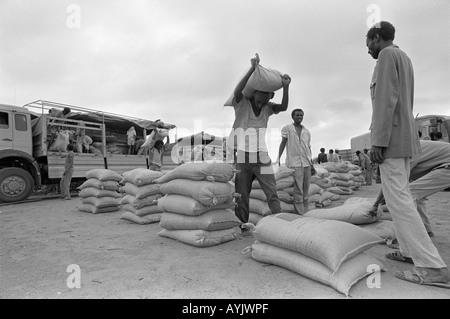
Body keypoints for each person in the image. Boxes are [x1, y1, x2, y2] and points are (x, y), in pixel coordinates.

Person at [366, 21, 449, 287]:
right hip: (403, 138)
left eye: (368, 43)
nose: (367, 49)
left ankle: (432, 267)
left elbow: (385, 100)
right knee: (400, 198)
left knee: (399, 201)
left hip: (391, 140)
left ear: (377, 37)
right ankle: (408, 252)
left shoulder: (388, 56)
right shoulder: (404, 57)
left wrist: (378, 141)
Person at [227, 54, 291, 236]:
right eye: (259, 100)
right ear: (253, 93)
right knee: (242, 194)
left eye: (265, 101)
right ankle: (242, 224)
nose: (261, 104)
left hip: (262, 157)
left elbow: (284, 107)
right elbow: (237, 91)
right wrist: (252, 68)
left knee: (271, 190)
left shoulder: (267, 108)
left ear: (269, 97)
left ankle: (280, 221)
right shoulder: (242, 105)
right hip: (243, 157)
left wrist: (286, 87)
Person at [371, 140, 450, 237]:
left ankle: (412, 236)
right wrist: (379, 201)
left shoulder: (406, 152)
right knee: (419, 196)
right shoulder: (402, 152)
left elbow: (392, 180)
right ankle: (425, 230)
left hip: (447, 167)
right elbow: (389, 181)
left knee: (406, 194)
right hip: (442, 165)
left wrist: (376, 204)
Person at [277, 109, 314, 215]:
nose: (300, 117)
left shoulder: (307, 131)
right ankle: (299, 212)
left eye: (301, 115)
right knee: (298, 188)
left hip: (306, 163)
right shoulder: (287, 129)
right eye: (297, 115)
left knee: (306, 187)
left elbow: (308, 148)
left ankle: (306, 210)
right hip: (294, 163)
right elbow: (283, 143)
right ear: (292, 116)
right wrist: (278, 158)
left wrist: (311, 164)